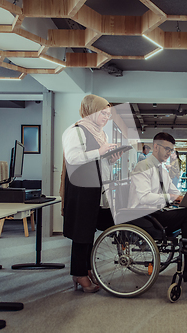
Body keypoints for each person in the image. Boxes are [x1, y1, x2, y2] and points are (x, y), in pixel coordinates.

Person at [127, 132, 187, 282]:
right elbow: (143, 197)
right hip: (143, 215)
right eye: (167, 149)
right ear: (156, 147)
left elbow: (175, 193)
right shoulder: (143, 167)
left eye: (171, 150)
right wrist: (170, 197)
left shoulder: (162, 169)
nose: (169, 153)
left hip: (157, 212)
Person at [60, 94, 122, 293]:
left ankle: (85, 268)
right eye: (102, 113)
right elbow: (73, 157)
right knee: (81, 231)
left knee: (88, 231)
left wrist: (110, 159)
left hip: (93, 187)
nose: (106, 117)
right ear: (91, 111)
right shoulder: (76, 130)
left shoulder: (99, 133)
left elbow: (97, 162)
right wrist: (100, 152)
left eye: (108, 114)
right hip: (80, 188)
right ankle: (78, 273)